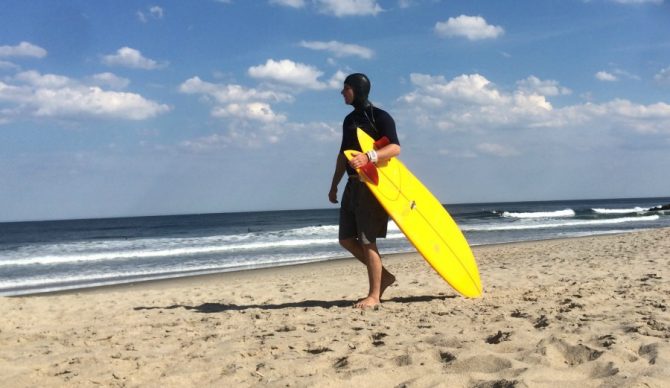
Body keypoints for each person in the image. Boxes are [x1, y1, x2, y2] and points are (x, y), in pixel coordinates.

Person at [328, 73, 401, 309]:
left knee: (368, 241)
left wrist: (370, 156)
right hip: (352, 185)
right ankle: (385, 278)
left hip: (372, 187)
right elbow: (343, 155)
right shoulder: (348, 121)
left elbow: (394, 148)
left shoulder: (380, 116)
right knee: (346, 239)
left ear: (357, 90)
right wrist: (334, 184)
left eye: (346, 88)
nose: (342, 93)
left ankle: (374, 295)